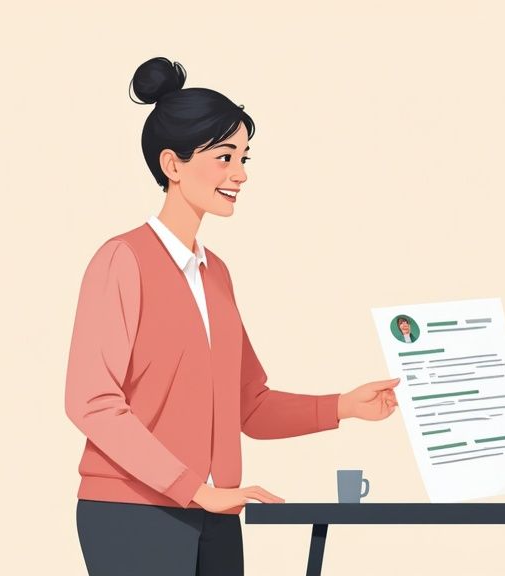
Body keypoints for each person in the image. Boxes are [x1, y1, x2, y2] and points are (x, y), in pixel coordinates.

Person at [64, 57, 399, 576]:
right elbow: (92, 403)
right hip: (131, 512)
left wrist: (343, 406)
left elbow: (248, 405)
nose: (240, 174)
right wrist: (193, 488)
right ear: (172, 165)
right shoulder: (122, 259)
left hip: (214, 510)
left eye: (244, 157)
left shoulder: (214, 273)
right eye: (224, 158)